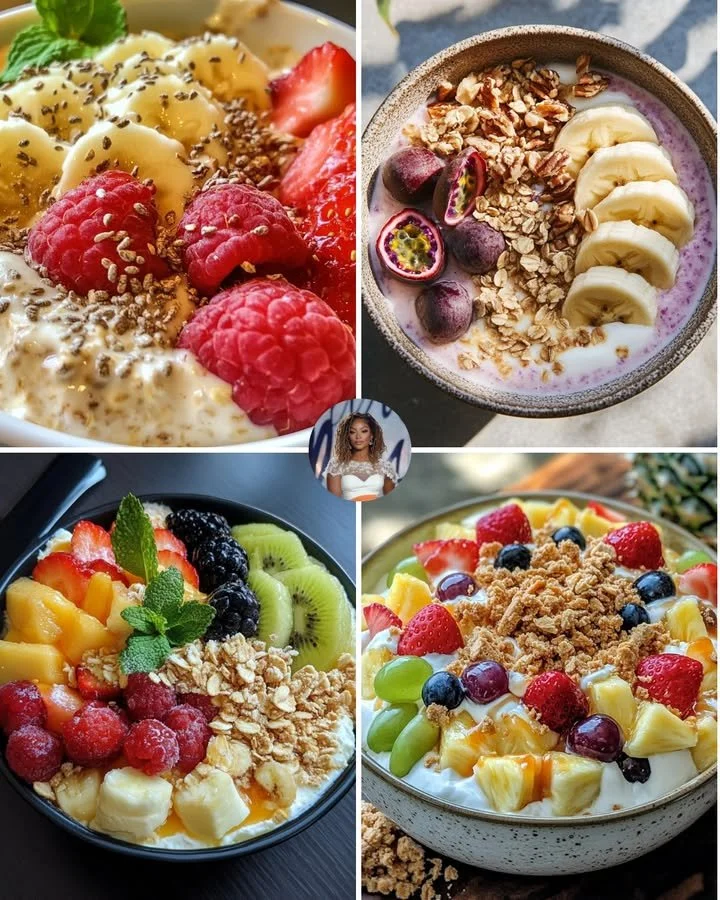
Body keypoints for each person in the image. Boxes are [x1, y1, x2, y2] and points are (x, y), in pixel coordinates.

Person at [326, 413, 398, 501]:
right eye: (352, 432)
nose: (358, 437)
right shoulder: (336, 465)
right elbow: (334, 502)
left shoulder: (385, 467)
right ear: (347, 437)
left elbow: (390, 501)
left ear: (372, 435)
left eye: (364, 431)